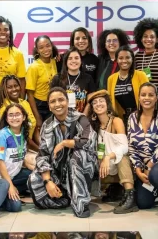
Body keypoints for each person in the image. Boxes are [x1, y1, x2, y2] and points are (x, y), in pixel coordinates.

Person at [28, 87, 98, 218]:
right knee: (33, 179)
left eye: (61, 100)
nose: (57, 104)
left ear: (67, 102)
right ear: (49, 106)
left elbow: (87, 141)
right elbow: (43, 155)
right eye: (53, 101)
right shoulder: (47, 125)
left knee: (78, 156)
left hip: (82, 167)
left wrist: (64, 143)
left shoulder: (80, 118)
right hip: (58, 171)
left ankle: (81, 202)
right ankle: (64, 198)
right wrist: (47, 181)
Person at [0, 16, 27, 161]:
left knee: (12, 132)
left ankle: (11, 165)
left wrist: (19, 100)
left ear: (10, 32)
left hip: (11, 97)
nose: (3, 32)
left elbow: (21, 79)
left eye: (6, 29)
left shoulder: (17, 53)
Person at [87, 90, 138, 214]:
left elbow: (124, 146)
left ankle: (130, 198)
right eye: (95, 103)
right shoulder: (95, 125)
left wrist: (107, 157)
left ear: (107, 104)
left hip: (117, 163)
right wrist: (100, 159)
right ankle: (112, 190)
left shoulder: (116, 121)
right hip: (106, 167)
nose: (98, 104)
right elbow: (100, 146)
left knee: (123, 157)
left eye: (101, 101)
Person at [0, 103, 31, 204]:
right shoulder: (3, 135)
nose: (14, 117)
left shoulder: (23, 131)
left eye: (17, 114)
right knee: (15, 206)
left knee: (34, 175)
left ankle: (6, 194)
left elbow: (20, 156)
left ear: (24, 117)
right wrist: (10, 185)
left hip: (12, 175)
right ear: (6, 119)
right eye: (11, 115)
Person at [107, 46, 149, 125]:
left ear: (132, 59)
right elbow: (110, 101)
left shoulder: (141, 75)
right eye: (121, 58)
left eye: (127, 57)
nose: (124, 61)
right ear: (116, 60)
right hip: (121, 120)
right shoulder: (111, 79)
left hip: (140, 117)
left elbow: (148, 97)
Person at [0, 75, 39, 151]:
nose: (14, 89)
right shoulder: (5, 109)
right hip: (16, 149)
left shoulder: (25, 103)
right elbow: (23, 136)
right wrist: (40, 151)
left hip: (30, 146)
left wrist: (42, 146)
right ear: (4, 90)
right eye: (9, 87)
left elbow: (34, 127)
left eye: (16, 86)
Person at [26, 35, 60, 128]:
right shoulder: (34, 67)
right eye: (41, 47)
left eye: (48, 45)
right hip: (39, 105)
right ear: (37, 50)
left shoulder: (55, 62)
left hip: (52, 103)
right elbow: (29, 94)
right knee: (40, 132)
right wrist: (37, 116)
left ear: (52, 46)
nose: (46, 49)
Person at [51, 48, 96, 113]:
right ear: (66, 61)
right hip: (62, 117)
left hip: (82, 117)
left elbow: (91, 100)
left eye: (76, 58)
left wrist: (84, 116)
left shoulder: (88, 78)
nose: (73, 61)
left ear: (81, 61)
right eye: (70, 58)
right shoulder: (57, 78)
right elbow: (53, 100)